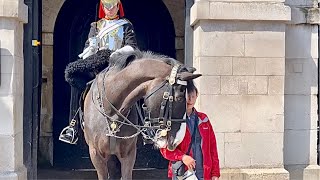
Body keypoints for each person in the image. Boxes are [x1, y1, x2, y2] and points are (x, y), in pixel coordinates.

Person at [59, 0, 138, 144]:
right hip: (98, 64)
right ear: (103, 7)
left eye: (113, 6)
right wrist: (90, 49)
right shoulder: (95, 26)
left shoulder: (126, 25)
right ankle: (72, 126)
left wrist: (116, 55)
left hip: (119, 63)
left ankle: (145, 126)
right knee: (74, 75)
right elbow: (88, 46)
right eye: (107, 6)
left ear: (118, 7)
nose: (110, 9)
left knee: (139, 82)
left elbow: (132, 46)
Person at [160, 86, 220, 180]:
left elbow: (212, 147)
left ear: (197, 96)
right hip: (183, 173)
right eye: (187, 96)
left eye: (193, 96)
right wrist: (182, 157)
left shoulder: (203, 119)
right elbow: (164, 149)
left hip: (204, 173)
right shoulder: (173, 121)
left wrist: (215, 173)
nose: (190, 99)